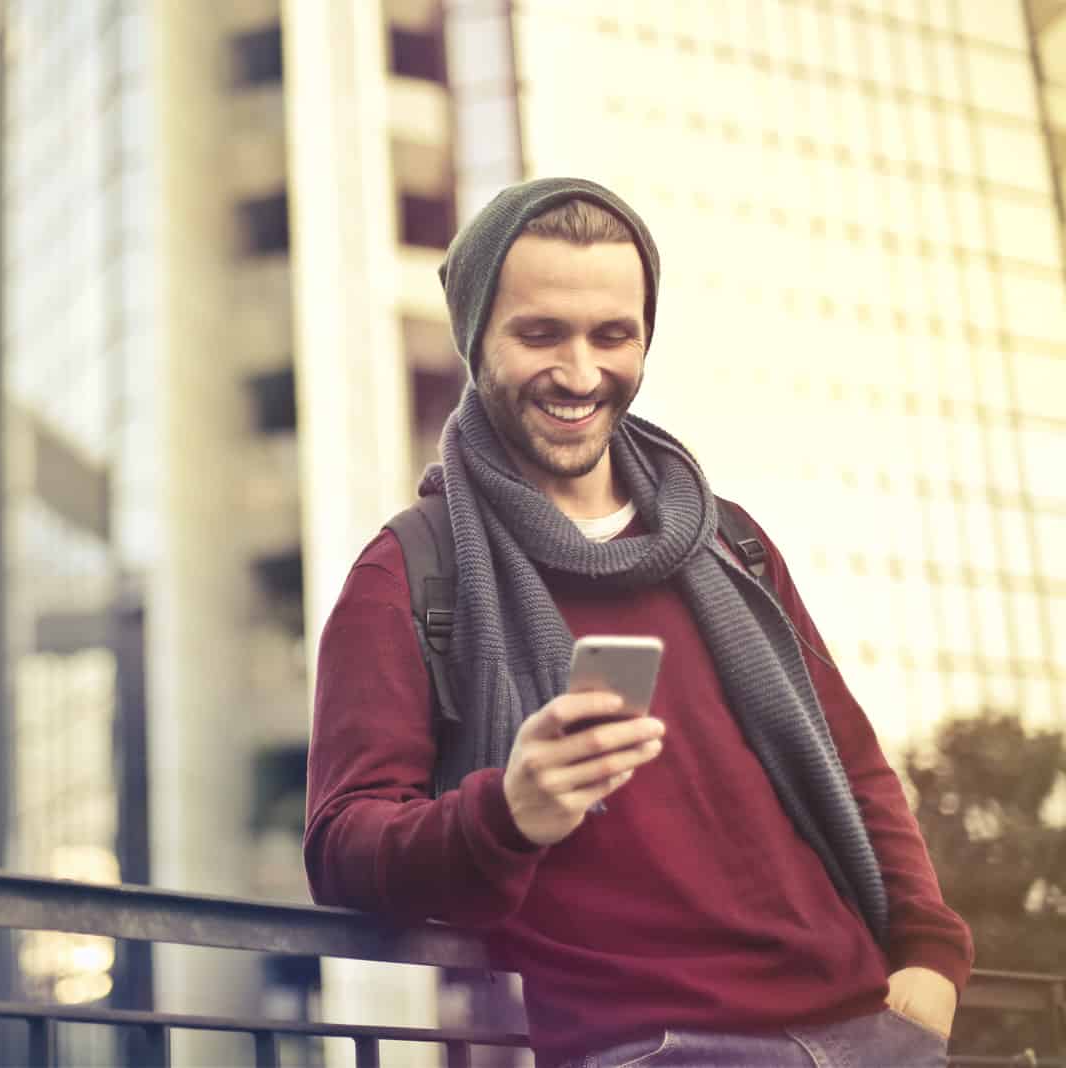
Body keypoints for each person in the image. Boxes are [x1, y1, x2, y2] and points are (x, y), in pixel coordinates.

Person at [303, 177, 973, 1068]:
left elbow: (853, 765)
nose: (581, 374)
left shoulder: (732, 539)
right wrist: (506, 813)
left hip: (869, 1036)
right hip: (650, 1050)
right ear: (475, 342)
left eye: (612, 335)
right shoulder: (410, 573)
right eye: (540, 334)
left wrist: (930, 956)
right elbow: (342, 846)